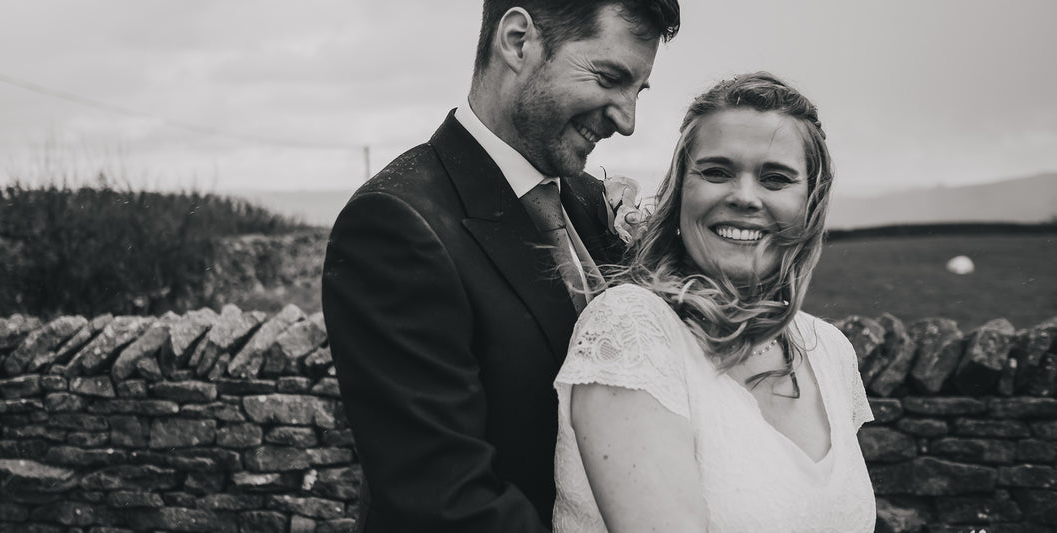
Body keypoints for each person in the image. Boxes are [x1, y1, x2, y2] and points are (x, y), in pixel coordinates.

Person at [321, 1, 680, 531]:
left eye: (637, 92)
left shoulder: (588, 201)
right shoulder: (394, 225)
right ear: (516, 41)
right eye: (609, 78)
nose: (627, 121)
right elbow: (447, 500)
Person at [553, 73, 876, 532]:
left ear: (812, 202)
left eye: (776, 179)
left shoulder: (829, 351)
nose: (744, 197)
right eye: (717, 172)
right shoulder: (631, 330)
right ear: (681, 189)